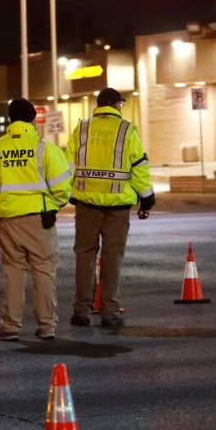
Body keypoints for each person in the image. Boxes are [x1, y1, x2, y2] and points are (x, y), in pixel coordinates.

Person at [0, 98, 73, 341]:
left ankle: (10, 326)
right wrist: (54, 205)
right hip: (39, 219)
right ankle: (46, 327)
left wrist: (0, 203)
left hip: (9, 221)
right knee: (43, 272)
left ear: (10, 119)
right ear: (32, 119)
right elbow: (62, 187)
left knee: (14, 272)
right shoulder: (44, 147)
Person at [66, 87, 154, 328]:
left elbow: (68, 167)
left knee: (84, 255)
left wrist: (64, 195)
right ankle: (109, 312)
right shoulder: (127, 130)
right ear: (116, 105)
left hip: (86, 204)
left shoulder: (81, 129)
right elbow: (138, 166)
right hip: (116, 206)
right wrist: (146, 197)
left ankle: (81, 311)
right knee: (111, 258)